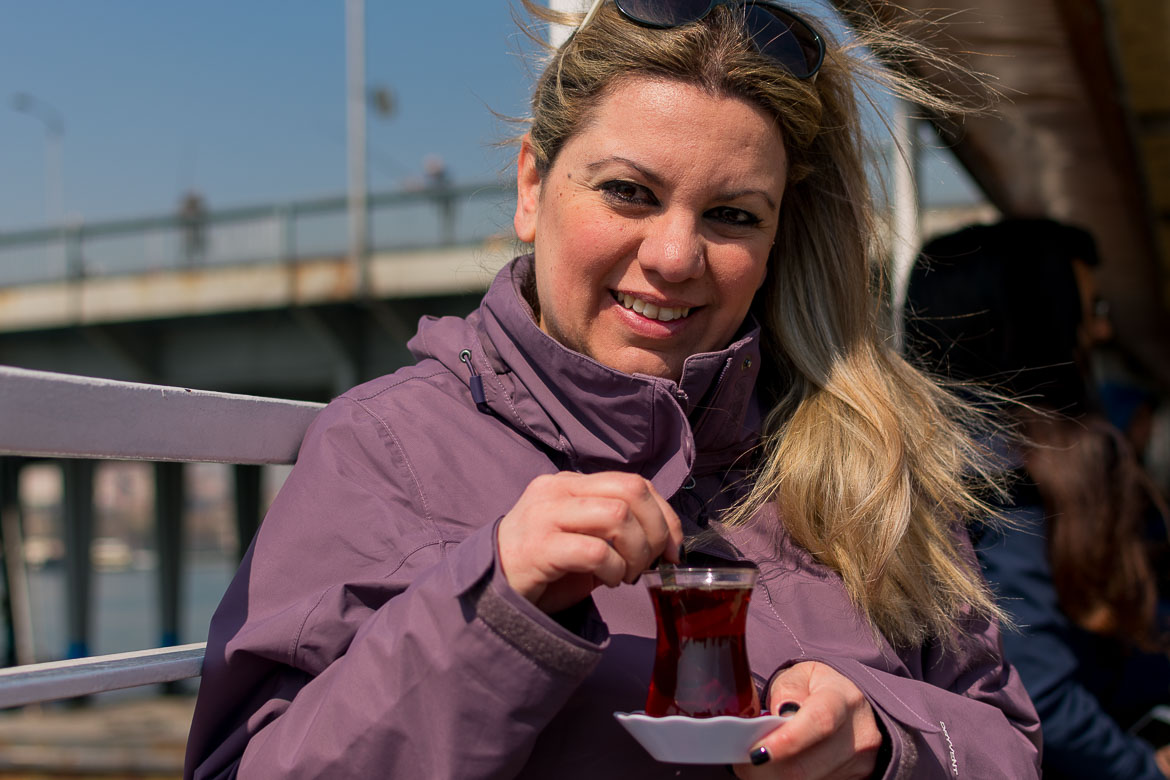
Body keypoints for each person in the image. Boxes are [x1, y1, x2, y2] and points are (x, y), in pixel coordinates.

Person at [184, 2, 1041, 778]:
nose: (675, 256)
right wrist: (495, 599)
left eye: (733, 215)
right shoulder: (386, 449)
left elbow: (1006, 744)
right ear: (532, 186)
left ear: (780, 236)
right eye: (628, 192)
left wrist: (886, 739)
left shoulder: (870, 460)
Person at [904, 218, 1170, 779]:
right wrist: (1144, 769)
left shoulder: (917, 473)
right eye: (1089, 311)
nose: (1101, 333)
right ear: (1034, 323)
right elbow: (1036, 689)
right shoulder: (1004, 484)